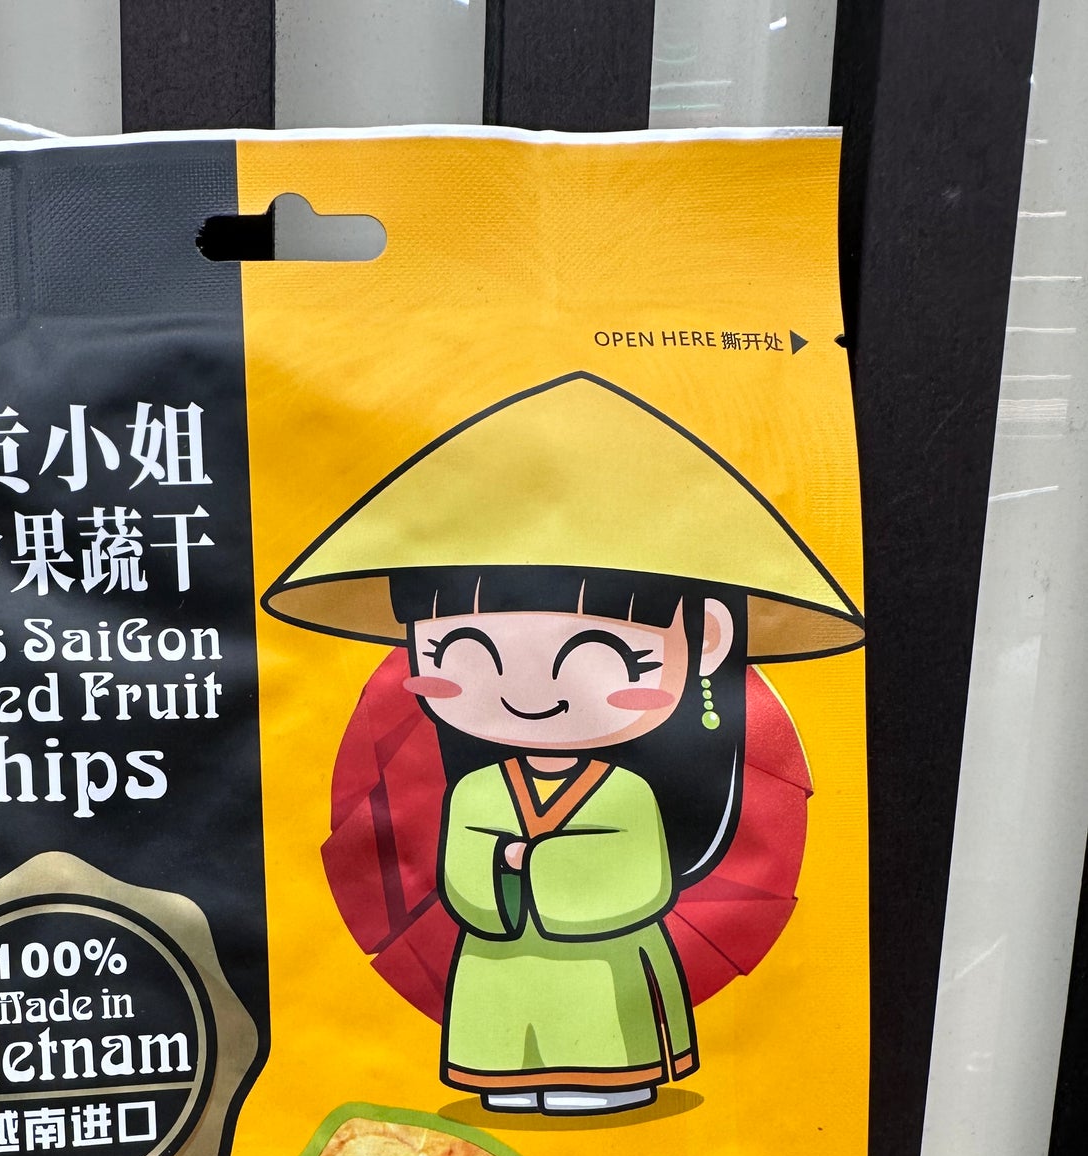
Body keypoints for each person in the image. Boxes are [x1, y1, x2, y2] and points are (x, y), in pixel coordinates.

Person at [263, 373, 862, 1114]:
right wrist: (502, 868)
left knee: (598, 1043)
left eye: (595, 653)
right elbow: (462, 875)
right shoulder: (476, 790)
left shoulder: (629, 792)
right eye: (464, 651)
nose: (529, 694)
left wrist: (527, 862)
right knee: (504, 1037)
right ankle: (511, 1080)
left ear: (706, 639)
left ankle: (602, 1081)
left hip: (601, 968)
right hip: (498, 961)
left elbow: (641, 879)